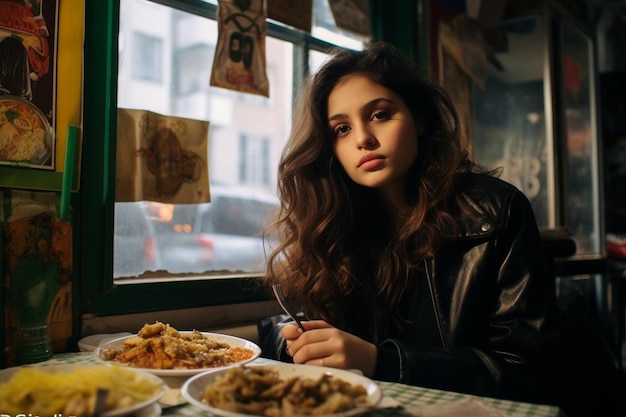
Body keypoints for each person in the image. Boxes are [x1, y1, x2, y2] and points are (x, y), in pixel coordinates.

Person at [259, 41, 622, 415]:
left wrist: (381, 361)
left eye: (380, 115)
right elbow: (294, 324)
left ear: (419, 118)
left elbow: (529, 373)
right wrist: (296, 342)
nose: (362, 138)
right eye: (341, 129)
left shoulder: (495, 210)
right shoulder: (335, 225)